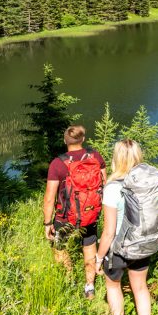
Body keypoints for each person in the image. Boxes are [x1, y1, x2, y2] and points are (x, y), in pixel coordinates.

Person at [96, 138, 158, 315]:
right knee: (141, 288)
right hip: (144, 245)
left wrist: (98, 258)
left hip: (117, 249)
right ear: (138, 156)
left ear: (117, 158)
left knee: (113, 287)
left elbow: (108, 232)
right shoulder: (150, 183)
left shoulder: (112, 188)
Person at [43, 124, 105, 299]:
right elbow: (104, 184)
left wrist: (48, 223)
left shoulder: (58, 164)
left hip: (65, 217)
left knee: (60, 248)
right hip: (90, 213)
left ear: (65, 141)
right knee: (89, 247)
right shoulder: (96, 157)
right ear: (83, 140)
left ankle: (69, 283)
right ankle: (89, 287)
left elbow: (49, 198)